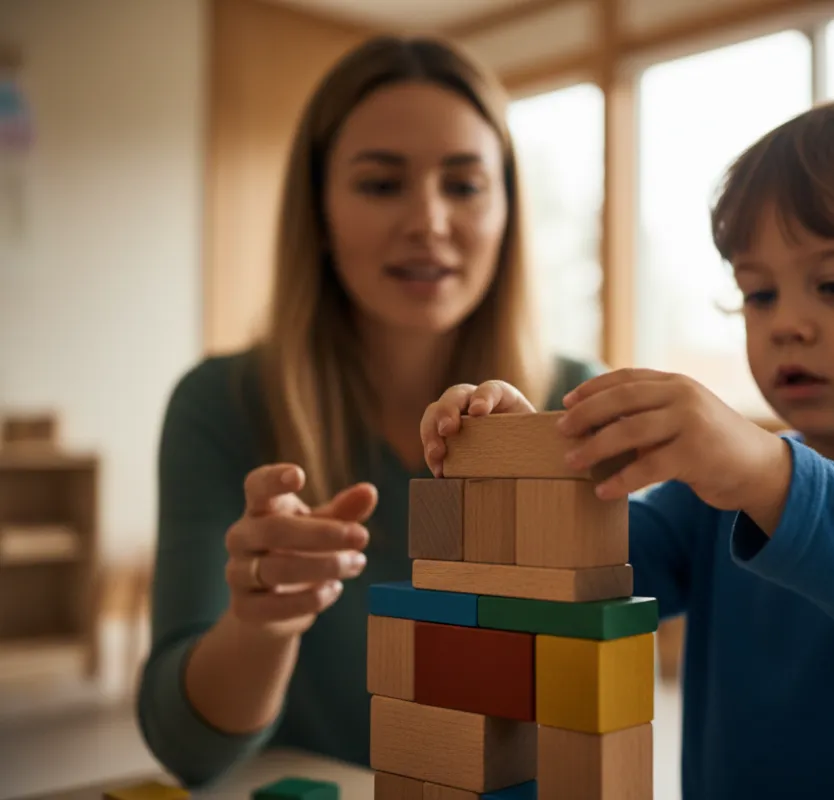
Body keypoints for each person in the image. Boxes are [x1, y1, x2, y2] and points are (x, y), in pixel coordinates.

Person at [422, 98, 834, 800]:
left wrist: (770, 474)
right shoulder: (717, 496)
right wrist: (528, 467)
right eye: (758, 293)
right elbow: (586, 570)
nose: (786, 324)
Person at [137, 35, 604, 786]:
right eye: (382, 185)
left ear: (509, 210)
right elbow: (187, 750)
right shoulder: (220, 404)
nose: (428, 221)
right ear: (319, 212)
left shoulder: (579, 406)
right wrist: (262, 622)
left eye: (464, 185)